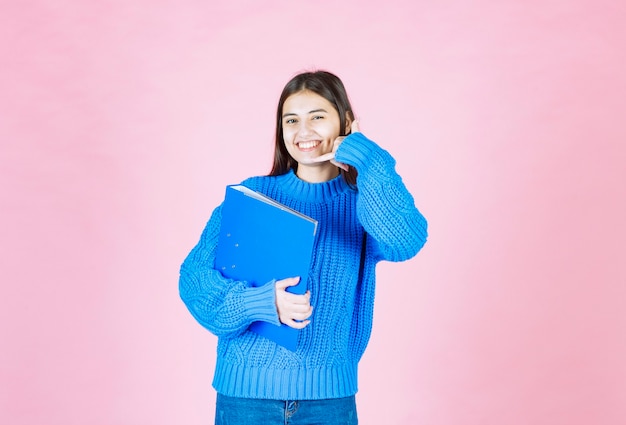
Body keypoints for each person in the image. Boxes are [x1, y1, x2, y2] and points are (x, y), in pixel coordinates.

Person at [179, 70, 428, 424]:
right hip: (245, 399)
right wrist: (260, 303)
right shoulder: (253, 196)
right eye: (291, 120)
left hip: (328, 401)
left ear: (344, 122)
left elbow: (406, 240)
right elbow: (194, 280)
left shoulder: (364, 205)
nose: (304, 131)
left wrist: (368, 159)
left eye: (318, 117)